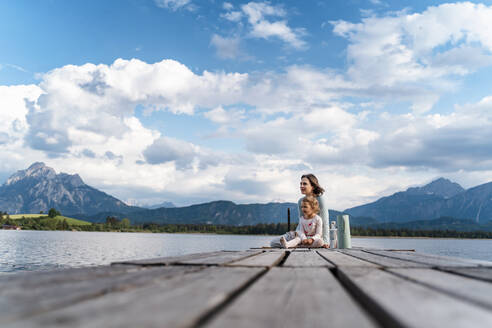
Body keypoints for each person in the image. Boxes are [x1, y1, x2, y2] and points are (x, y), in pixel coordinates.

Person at [270, 173, 330, 248]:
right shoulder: (300, 201)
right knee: (273, 243)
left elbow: (325, 222)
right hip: (301, 235)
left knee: (320, 242)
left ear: (313, 186)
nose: (301, 186)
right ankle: (296, 243)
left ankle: (297, 245)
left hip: (314, 237)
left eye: (304, 184)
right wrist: (297, 234)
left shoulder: (320, 199)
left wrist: (326, 241)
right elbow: (301, 222)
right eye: (300, 184)